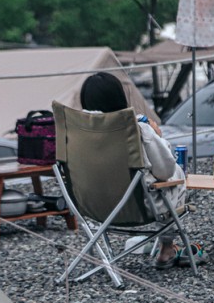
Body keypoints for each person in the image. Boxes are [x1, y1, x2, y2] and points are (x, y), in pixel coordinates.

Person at [79, 72, 201, 267]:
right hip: (137, 208)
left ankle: (99, 257)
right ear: (119, 98)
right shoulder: (137, 129)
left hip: (93, 207)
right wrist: (157, 136)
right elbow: (165, 170)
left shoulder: (79, 132)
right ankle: (167, 248)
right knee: (176, 174)